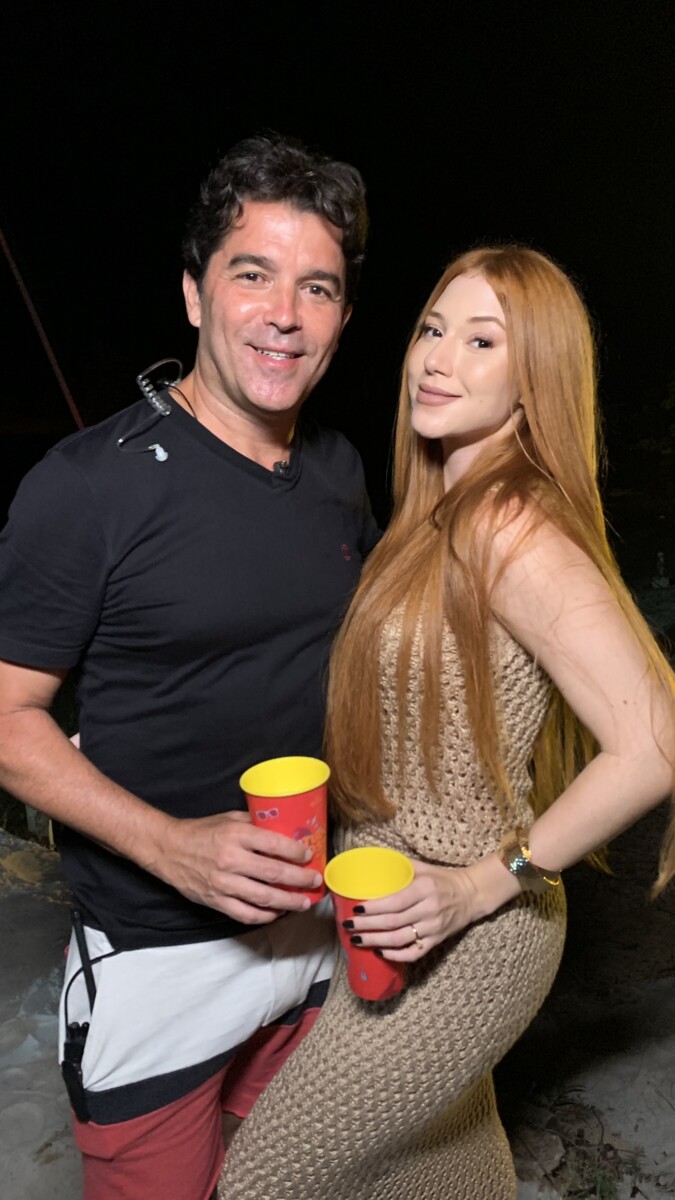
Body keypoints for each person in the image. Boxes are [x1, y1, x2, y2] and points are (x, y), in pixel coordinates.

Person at [217, 245, 675, 1199]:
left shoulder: (511, 528)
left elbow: (654, 742)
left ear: (532, 380)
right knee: (438, 1161)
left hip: (469, 931)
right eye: (433, 329)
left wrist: (480, 885)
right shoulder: (436, 513)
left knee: (265, 1179)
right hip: (386, 905)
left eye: (481, 341)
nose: (437, 358)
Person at [0, 134, 378, 1200]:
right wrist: (170, 846)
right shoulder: (86, 488)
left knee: (285, 1180)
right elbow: (8, 716)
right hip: (156, 952)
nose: (284, 314)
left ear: (342, 318)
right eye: (251, 274)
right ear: (193, 295)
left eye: (317, 288)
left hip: (315, 933)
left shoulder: (340, 471)